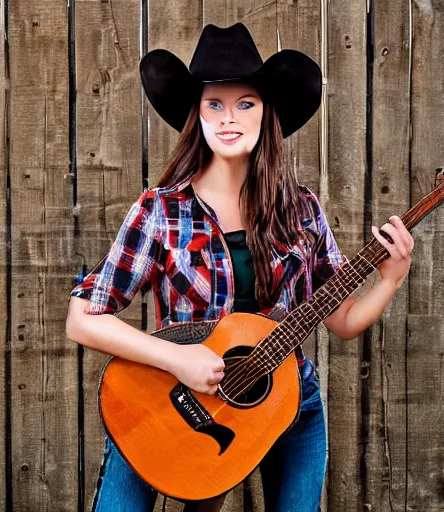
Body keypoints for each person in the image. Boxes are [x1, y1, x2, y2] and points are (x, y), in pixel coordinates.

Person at [66, 23, 414, 512]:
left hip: (285, 401)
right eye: (215, 104)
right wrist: (179, 360)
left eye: (245, 103)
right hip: (167, 399)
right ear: (198, 115)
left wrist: (391, 279)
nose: (229, 119)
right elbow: (83, 318)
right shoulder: (160, 211)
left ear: (266, 112)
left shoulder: (301, 209)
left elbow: (344, 321)